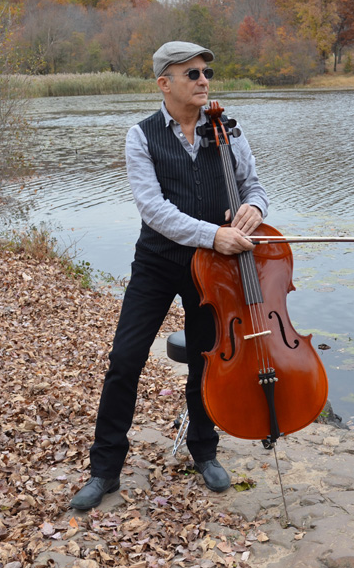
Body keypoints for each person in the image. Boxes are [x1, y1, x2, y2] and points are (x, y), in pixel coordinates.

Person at [70, 41, 269, 510]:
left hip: (215, 270)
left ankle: (204, 451)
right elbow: (153, 210)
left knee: (205, 360)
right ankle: (105, 470)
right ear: (165, 83)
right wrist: (212, 235)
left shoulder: (228, 129)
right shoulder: (140, 136)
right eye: (192, 73)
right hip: (158, 263)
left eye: (206, 73)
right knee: (125, 359)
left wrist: (255, 210)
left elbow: (254, 186)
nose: (204, 81)